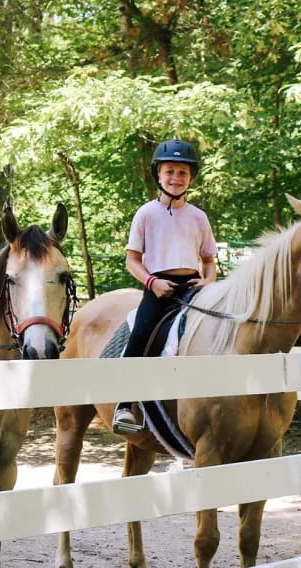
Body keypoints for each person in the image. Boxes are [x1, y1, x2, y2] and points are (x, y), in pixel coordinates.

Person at [113, 138, 217, 434]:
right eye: (169, 171)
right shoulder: (146, 214)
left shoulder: (199, 217)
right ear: (158, 175)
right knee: (142, 333)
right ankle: (124, 405)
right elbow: (132, 260)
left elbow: (209, 259)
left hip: (193, 287)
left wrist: (208, 280)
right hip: (158, 285)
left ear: (191, 178)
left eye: (182, 173)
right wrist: (151, 282)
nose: (175, 178)